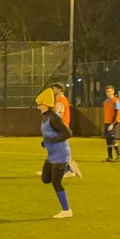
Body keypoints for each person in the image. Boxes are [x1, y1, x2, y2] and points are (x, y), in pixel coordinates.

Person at [35, 88, 73, 218]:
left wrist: (52, 140)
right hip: (52, 155)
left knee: (56, 182)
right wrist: (45, 142)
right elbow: (49, 134)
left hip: (61, 154)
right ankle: (69, 166)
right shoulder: (45, 117)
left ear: (46, 104)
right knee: (46, 179)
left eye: (40, 104)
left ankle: (67, 210)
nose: (38, 107)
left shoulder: (54, 118)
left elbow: (68, 133)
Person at [51, 82, 82, 179]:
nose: (53, 90)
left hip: (62, 127)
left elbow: (59, 115)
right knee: (61, 149)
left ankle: (70, 169)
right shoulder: (61, 99)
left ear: (60, 89)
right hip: (63, 127)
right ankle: (68, 168)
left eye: (55, 88)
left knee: (61, 149)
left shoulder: (61, 100)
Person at [103, 85, 120, 162]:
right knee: (108, 139)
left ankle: (119, 155)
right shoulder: (105, 102)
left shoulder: (116, 101)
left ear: (113, 92)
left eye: (110, 91)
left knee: (112, 138)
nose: (108, 93)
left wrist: (112, 123)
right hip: (107, 122)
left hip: (114, 122)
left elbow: (116, 112)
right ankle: (110, 157)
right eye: (107, 91)